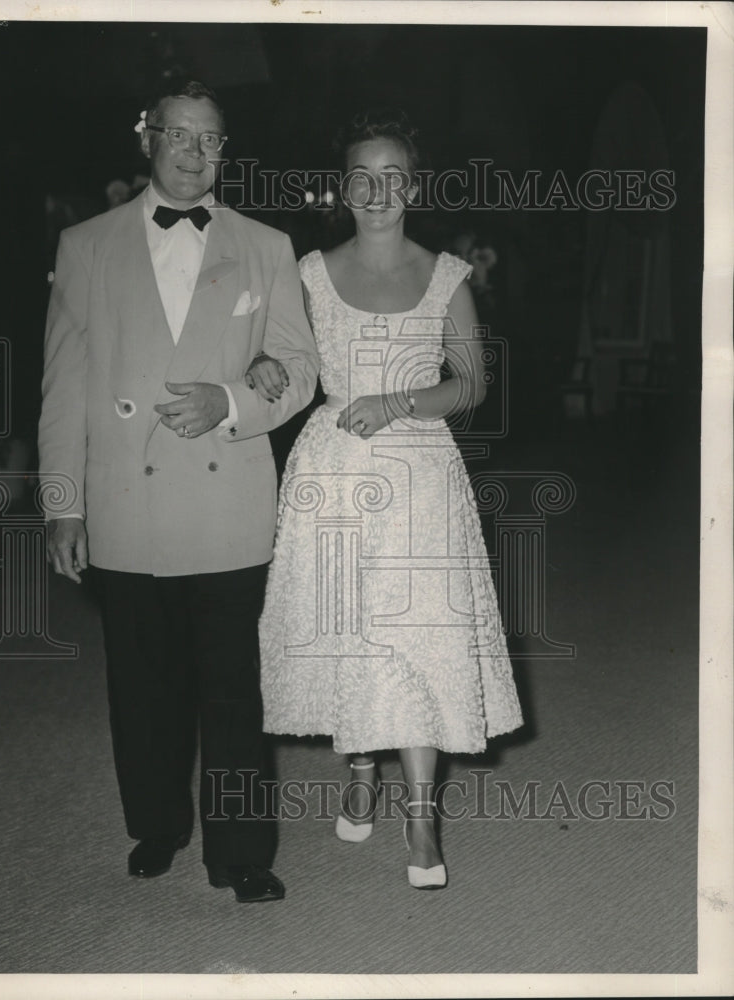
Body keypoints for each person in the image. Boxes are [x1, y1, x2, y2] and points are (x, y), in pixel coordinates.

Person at [39, 79, 319, 903]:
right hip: (126, 498)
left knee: (234, 691)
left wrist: (230, 403)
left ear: (226, 151)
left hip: (227, 500)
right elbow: (63, 386)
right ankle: (156, 827)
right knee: (143, 686)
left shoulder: (265, 244)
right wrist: (63, 502)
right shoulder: (85, 244)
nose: (196, 155)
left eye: (213, 141)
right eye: (180, 137)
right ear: (148, 140)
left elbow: (299, 369)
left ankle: (240, 851)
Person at [251, 110, 523, 889]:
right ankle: (359, 770)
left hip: (418, 478)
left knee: (416, 636)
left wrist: (398, 402)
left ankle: (419, 821)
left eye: (391, 176)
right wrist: (265, 367)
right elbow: (287, 362)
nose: (376, 191)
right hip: (330, 472)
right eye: (361, 176)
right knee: (351, 632)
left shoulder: (444, 276)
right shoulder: (306, 272)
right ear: (343, 188)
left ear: (412, 185)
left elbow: (471, 384)